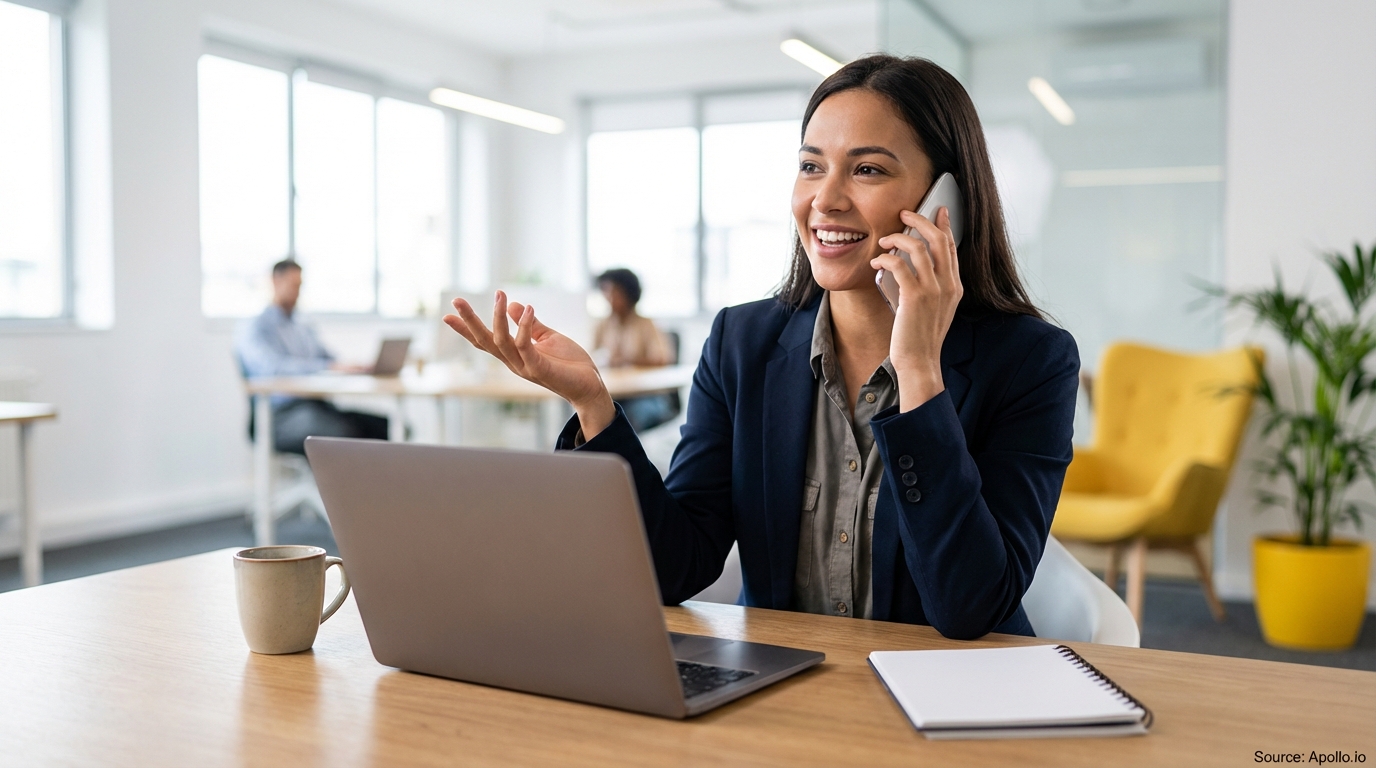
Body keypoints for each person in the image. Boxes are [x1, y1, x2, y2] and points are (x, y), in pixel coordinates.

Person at [443, 55, 1078, 640]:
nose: (824, 200)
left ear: (947, 203)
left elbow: (967, 608)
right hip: (781, 702)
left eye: (867, 169)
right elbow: (676, 566)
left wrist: (917, 371)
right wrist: (593, 403)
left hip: (955, 713)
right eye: (810, 166)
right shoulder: (742, 343)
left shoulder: (1032, 362)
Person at [236, 259, 389, 455]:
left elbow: (328, 359)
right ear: (275, 281)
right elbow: (273, 368)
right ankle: (339, 485)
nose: (296, 292)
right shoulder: (255, 327)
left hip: (317, 406)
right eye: (293, 285)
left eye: (299, 286)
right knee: (342, 433)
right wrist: (326, 366)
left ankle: (376, 485)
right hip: (279, 415)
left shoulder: (302, 327)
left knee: (385, 427)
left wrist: (348, 367)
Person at [592, 268, 677, 432]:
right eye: (606, 291)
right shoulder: (602, 325)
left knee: (626, 421)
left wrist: (625, 360)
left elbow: (662, 359)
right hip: (614, 395)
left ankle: (627, 457)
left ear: (628, 294)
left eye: (614, 292)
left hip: (646, 395)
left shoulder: (646, 324)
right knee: (592, 419)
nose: (609, 298)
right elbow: (590, 357)